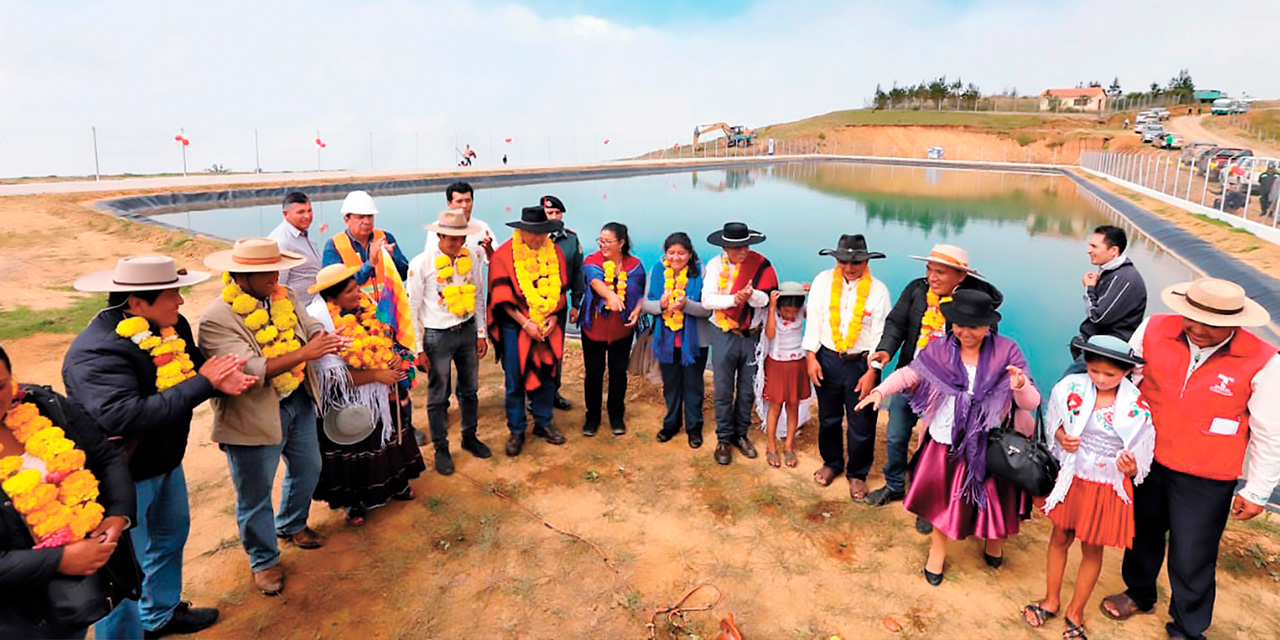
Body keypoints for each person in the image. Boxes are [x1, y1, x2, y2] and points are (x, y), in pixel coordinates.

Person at [64, 256, 257, 639]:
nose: (181, 302)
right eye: (172, 294)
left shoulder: (171, 326)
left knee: (170, 539)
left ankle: (160, 616)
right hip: (122, 479)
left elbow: (192, 371)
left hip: (166, 461)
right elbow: (122, 416)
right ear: (136, 303)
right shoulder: (97, 352)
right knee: (122, 572)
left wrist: (222, 380)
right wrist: (205, 383)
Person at [1100, 278, 1279, 640]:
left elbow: (1269, 430)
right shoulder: (1154, 328)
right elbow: (1125, 382)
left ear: (1235, 323)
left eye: (1209, 325)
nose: (1195, 330)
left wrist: (1257, 491)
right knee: (1142, 534)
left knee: (1193, 552)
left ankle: (1188, 626)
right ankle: (1139, 593)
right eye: (1190, 319)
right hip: (1147, 461)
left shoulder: (1264, 360)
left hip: (1207, 475)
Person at [198, 238, 348, 596]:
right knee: (254, 494)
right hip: (253, 415)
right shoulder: (216, 318)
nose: (274, 275)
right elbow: (250, 368)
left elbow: (309, 324)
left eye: (276, 268)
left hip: (297, 400)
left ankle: (292, 523)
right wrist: (306, 352)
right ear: (239, 277)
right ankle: (264, 561)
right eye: (264, 271)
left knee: (309, 467)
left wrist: (325, 337)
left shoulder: (284, 295)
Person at [857, 290, 1038, 586]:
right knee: (943, 499)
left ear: (988, 326)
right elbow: (910, 375)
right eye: (959, 324)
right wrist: (880, 391)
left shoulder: (1008, 351)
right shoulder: (940, 349)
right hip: (946, 439)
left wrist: (1019, 385)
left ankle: (994, 541)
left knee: (995, 498)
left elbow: (1031, 402)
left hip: (991, 442)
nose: (965, 332)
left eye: (974, 326)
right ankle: (937, 554)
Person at [0, 345, 140, 639]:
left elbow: (105, 456)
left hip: (77, 593)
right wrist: (58, 559)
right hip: (17, 617)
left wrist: (117, 515)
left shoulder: (44, 405)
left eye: (0, 386)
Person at [1024, 335, 1154, 639]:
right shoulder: (1069, 388)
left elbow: (1142, 454)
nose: (1100, 378)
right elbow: (1054, 418)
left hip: (1105, 483)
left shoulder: (1137, 406)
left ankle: (1076, 611)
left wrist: (1130, 467)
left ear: (1126, 372)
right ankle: (1051, 599)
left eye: (1109, 374)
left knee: (1093, 548)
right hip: (1074, 477)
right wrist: (1059, 435)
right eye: (1094, 370)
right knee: (1059, 536)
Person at [865, 244, 1002, 533]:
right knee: (896, 436)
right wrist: (886, 350)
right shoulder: (917, 290)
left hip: (947, 392)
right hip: (910, 378)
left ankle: (927, 501)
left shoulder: (973, 304)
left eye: (940, 272)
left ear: (960, 276)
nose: (932, 277)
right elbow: (896, 324)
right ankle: (894, 484)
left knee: (933, 449)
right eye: (929, 270)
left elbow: (986, 345)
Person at [306, 264, 425, 525]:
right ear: (332, 298)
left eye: (355, 286)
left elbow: (384, 339)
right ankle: (354, 503)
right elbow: (329, 380)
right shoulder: (319, 324)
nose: (357, 292)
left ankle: (397, 485)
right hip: (347, 406)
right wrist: (374, 376)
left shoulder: (367, 307)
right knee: (354, 451)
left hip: (380, 395)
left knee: (389, 440)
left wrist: (392, 358)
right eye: (349, 291)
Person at [804, 235, 891, 500]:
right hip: (828, 358)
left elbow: (881, 335)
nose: (850, 267)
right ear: (837, 260)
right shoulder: (822, 282)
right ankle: (832, 463)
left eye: (856, 262)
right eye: (844, 261)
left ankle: (857, 474)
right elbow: (815, 320)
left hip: (861, 365)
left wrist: (872, 371)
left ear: (866, 261)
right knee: (828, 416)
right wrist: (810, 356)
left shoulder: (878, 292)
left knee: (862, 421)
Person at [406, 210, 492, 475]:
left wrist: (481, 332)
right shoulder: (421, 263)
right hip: (437, 336)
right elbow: (412, 307)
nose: (457, 244)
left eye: (462, 238)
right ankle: (441, 447)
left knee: (469, 390)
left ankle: (469, 436)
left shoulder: (472, 258)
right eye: (452, 239)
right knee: (437, 394)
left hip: (466, 332)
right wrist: (418, 349)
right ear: (439, 235)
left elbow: (478, 296)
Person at [487, 206, 569, 457]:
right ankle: (517, 429)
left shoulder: (553, 252)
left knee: (547, 372)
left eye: (542, 233)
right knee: (515, 378)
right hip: (517, 326)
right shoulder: (503, 255)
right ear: (521, 231)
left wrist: (554, 317)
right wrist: (525, 323)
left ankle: (543, 423)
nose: (537, 238)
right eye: (533, 233)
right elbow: (500, 298)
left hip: (547, 325)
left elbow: (560, 291)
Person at [701, 222, 779, 465]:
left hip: (752, 335)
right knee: (724, 388)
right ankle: (724, 438)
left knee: (747, 390)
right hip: (725, 333)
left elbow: (767, 298)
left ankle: (741, 434)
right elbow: (707, 300)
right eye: (736, 248)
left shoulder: (760, 264)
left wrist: (751, 295)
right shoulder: (716, 265)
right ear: (725, 247)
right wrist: (734, 299)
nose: (742, 251)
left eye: (745, 246)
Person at [642, 232, 711, 448]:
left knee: (693, 386)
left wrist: (687, 305)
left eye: (681, 253)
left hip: (695, 342)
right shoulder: (657, 271)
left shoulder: (702, 272)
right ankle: (671, 423)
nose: (676, 258)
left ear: (689, 255)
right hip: (666, 342)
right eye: (671, 253)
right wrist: (661, 305)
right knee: (671, 385)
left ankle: (694, 428)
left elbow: (708, 310)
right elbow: (646, 304)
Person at [579, 222, 645, 436]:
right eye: (600, 241)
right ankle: (592, 417)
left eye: (607, 242)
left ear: (622, 243)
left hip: (622, 331)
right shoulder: (592, 261)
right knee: (594, 373)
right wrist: (611, 295)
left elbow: (642, 294)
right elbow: (595, 282)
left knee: (618, 373)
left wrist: (637, 309)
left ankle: (616, 415)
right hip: (594, 329)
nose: (602, 245)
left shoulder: (635, 266)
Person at [759, 282, 811, 468]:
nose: (791, 314)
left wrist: (811, 291)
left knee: (793, 406)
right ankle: (771, 445)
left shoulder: (801, 310)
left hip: (797, 364)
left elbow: (816, 314)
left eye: (794, 311)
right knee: (774, 406)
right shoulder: (773, 314)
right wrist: (772, 307)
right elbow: (770, 334)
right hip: (777, 364)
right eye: (787, 310)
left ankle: (789, 446)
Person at [321, 190, 410, 298]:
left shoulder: (385, 237)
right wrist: (370, 263)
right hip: (354, 313)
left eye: (370, 216)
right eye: (361, 217)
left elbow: (405, 274)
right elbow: (336, 288)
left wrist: (392, 260)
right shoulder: (334, 246)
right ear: (346, 219)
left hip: (388, 310)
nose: (367, 221)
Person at [1077, 225, 1146, 350]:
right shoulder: (1112, 273)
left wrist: (1089, 288)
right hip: (1100, 344)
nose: (1088, 250)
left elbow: (1097, 318)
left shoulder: (1122, 278)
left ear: (1114, 250)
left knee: (1074, 371)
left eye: (1094, 246)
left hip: (1108, 350)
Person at [544, 194, 584, 411]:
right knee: (535, 349)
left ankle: (553, 392)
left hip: (560, 302)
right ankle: (533, 394)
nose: (554, 216)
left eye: (557, 213)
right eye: (550, 213)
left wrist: (576, 304)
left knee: (556, 350)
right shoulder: (532, 238)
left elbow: (578, 272)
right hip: (535, 304)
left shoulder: (571, 240)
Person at [268, 191, 324, 305]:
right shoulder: (282, 242)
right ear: (285, 214)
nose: (307, 216)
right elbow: (278, 286)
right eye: (300, 212)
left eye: (309, 211)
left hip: (316, 303)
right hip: (301, 310)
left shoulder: (302, 232)